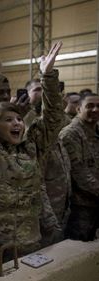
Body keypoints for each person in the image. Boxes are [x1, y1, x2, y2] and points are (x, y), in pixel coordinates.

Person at [0, 41, 63, 275]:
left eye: (18, 119)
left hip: (28, 241)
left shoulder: (32, 148)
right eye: (8, 119)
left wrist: (47, 75)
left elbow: (52, 117)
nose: (17, 123)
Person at [59, 92, 99, 242]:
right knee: (77, 251)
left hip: (95, 203)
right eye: (90, 106)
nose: (95, 110)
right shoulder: (71, 134)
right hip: (81, 208)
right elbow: (79, 173)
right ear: (78, 109)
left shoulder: (95, 131)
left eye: (98, 106)